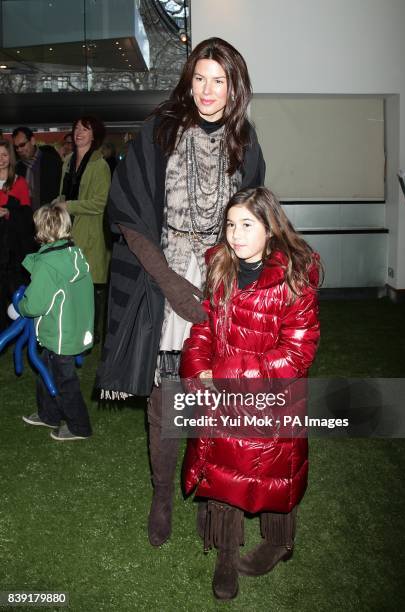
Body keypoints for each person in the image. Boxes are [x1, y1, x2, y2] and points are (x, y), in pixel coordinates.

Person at [97, 37, 266, 548]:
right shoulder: (159, 132)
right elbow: (128, 216)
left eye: (219, 80)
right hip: (162, 277)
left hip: (222, 280)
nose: (208, 90)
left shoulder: (246, 141)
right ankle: (162, 496)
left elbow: (254, 221)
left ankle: (207, 489)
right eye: (199, 78)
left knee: (212, 398)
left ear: (234, 86)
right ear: (187, 81)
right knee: (166, 399)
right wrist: (170, 283)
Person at [180, 187, 321, 600]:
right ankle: (226, 554)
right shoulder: (221, 267)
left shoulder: (294, 278)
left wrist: (226, 372)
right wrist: (198, 366)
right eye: (230, 224)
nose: (235, 235)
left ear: (271, 229)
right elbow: (204, 327)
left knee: (272, 473)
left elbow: (296, 354)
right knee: (225, 474)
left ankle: (279, 541)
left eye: (247, 225)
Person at [19, 204, 94, 441]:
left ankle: (79, 426)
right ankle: (49, 414)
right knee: (45, 370)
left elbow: (34, 305)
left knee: (64, 380)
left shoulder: (47, 265)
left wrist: (20, 307)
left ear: (41, 230)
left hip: (59, 333)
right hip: (73, 328)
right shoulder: (74, 254)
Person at [60, 116, 111, 343]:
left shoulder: (100, 165)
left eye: (85, 129)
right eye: (76, 128)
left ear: (94, 135)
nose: (79, 132)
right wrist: (55, 205)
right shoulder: (68, 160)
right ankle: (74, 329)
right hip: (68, 230)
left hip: (90, 233)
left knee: (89, 286)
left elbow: (100, 203)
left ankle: (92, 334)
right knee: (70, 284)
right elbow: (64, 194)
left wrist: (68, 205)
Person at [0, 138, 34, 332]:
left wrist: (9, 212)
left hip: (13, 246)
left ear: (10, 157)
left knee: (13, 287)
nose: (1, 159)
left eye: (4, 155)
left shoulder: (19, 182)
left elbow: (26, 213)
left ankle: (17, 327)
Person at [13, 126, 62, 211]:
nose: (19, 150)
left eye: (22, 145)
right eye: (16, 147)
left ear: (32, 141)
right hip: (26, 219)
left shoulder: (52, 162)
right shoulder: (17, 168)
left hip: (49, 215)